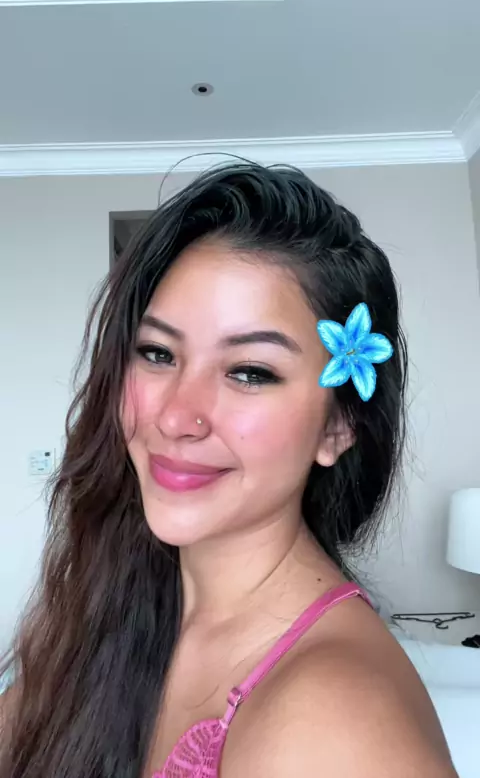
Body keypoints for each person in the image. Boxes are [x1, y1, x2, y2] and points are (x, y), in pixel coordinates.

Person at [0, 163, 458, 777]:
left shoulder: (333, 723)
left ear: (338, 426)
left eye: (250, 372)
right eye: (157, 353)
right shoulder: (122, 601)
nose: (175, 417)